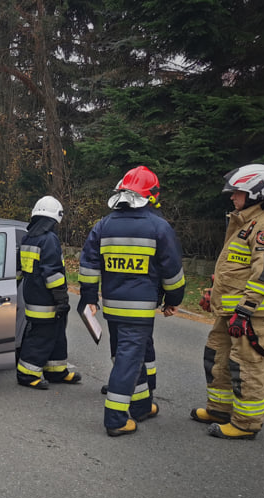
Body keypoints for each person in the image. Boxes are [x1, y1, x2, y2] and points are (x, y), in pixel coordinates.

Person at [78, 166, 185, 437]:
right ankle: (115, 418)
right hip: (140, 310)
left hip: (113, 307)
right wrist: (173, 300)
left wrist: (90, 298)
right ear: (151, 195)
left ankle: (141, 406)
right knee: (129, 359)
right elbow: (172, 271)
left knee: (138, 354)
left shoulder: (103, 225)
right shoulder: (159, 227)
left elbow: (89, 265)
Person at [191, 164, 264, 439]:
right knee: (217, 357)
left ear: (257, 194)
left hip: (250, 313)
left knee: (246, 365)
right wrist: (214, 293)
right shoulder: (245, 223)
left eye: (237, 193)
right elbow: (235, 267)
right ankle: (220, 409)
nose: (233, 198)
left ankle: (246, 424)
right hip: (231, 309)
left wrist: (246, 309)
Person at [17, 196, 81, 389]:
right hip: (46, 299)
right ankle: (27, 374)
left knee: (56, 333)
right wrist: (61, 298)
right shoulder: (49, 239)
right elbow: (52, 273)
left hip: (33, 295)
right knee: (41, 336)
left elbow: (20, 270)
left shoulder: (29, 237)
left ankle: (56, 371)